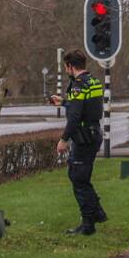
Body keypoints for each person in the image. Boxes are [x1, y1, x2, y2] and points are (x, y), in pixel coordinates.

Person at [48, 49, 107, 235]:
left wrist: (63, 139)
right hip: (93, 133)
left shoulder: (78, 85)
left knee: (78, 178)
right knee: (81, 177)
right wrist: (64, 102)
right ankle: (96, 213)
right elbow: (86, 107)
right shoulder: (93, 82)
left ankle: (88, 223)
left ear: (70, 66)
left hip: (83, 138)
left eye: (66, 67)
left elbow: (75, 117)